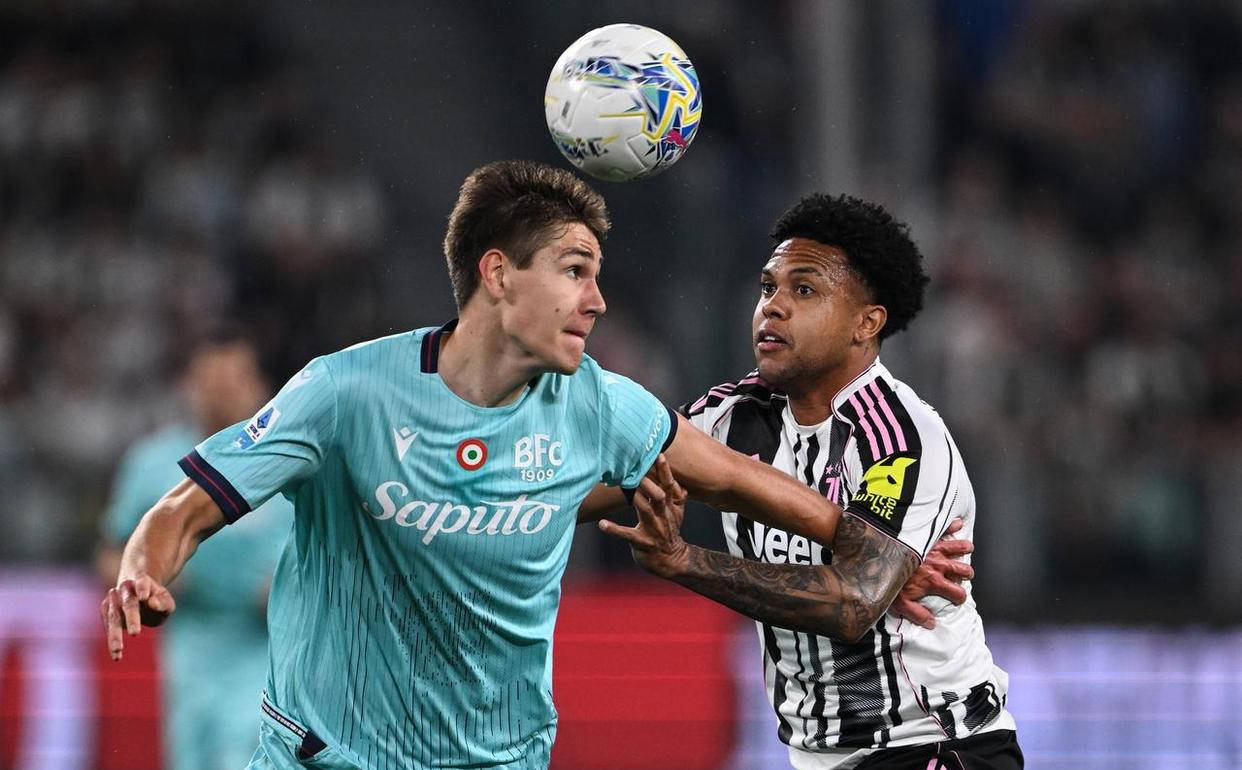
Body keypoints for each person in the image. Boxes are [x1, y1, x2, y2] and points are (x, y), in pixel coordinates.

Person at [100, 160, 884, 770]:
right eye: (574, 271)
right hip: (324, 757)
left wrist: (863, 541)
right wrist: (143, 570)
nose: (597, 300)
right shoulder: (345, 393)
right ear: (499, 273)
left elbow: (733, 478)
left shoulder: (596, 405)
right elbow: (186, 507)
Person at [600, 193, 1022, 769]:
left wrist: (683, 561)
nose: (772, 307)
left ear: (866, 323)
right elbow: (595, 487)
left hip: (932, 745)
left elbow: (853, 603)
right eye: (767, 287)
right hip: (820, 758)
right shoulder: (730, 416)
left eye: (804, 290)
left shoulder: (901, 435)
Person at [96, 329, 292, 770]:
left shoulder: (291, 461)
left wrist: (291, 590)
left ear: (259, 384)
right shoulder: (153, 463)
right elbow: (111, 552)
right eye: (210, 383)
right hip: (191, 647)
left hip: (269, 649)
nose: (222, 396)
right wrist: (146, 581)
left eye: (232, 382)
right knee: (193, 757)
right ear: (189, 385)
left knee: (245, 754)